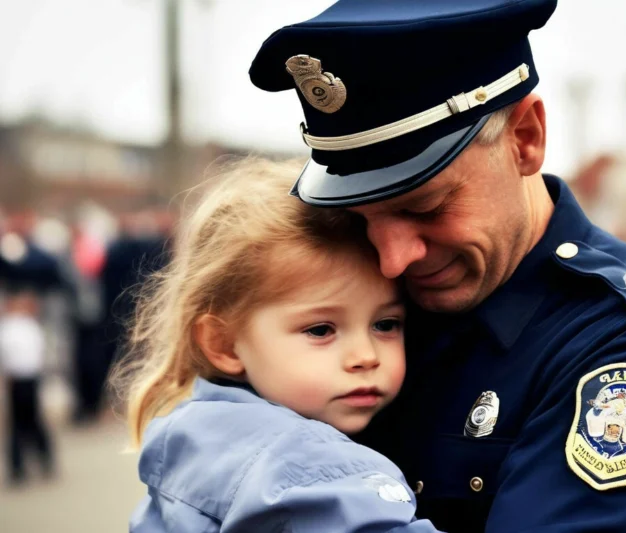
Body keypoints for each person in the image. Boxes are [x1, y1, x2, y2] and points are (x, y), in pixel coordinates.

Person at [248, 0, 626, 530]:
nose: (391, 259)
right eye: (360, 221)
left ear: (526, 140)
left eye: (424, 207)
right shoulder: (370, 299)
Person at [114, 159, 442, 532]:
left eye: (386, 324)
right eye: (320, 330)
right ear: (224, 345)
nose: (365, 357)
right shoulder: (310, 467)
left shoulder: (197, 436)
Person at [0, 289, 53, 486]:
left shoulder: (17, 326)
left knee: (23, 424)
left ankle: (23, 465)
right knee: (28, 423)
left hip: (23, 378)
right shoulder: (22, 326)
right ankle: (30, 463)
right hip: (24, 378)